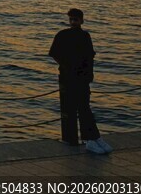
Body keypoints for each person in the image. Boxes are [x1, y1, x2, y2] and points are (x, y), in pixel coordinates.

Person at [48, 8, 111, 154]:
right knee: (74, 108)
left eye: (75, 19)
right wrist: (65, 66)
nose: (73, 22)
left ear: (81, 20)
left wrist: (90, 74)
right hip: (68, 77)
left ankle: (92, 138)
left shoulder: (85, 36)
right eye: (71, 19)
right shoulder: (62, 35)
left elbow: (90, 57)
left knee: (84, 108)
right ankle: (84, 139)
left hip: (82, 78)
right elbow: (53, 53)